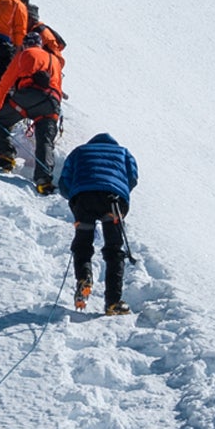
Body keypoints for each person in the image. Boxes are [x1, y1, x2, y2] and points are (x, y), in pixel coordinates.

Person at [57, 133, 139, 315]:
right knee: (114, 248)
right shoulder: (123, 152)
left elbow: (64, 181)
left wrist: (74, 198)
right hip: (113, 200)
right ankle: (113, 302)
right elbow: (132, 177)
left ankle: (84, 277)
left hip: (84, 199)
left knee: (83, 243)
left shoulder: (79, 152)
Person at [0, 29, 65, 192]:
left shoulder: (24, 55)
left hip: (28, 96)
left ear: (26, 44)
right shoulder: (55, 61)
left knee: (0, 120)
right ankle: (44, 180)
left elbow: (5, 83)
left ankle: (6, 156)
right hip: (52, 103)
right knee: (45, 140)